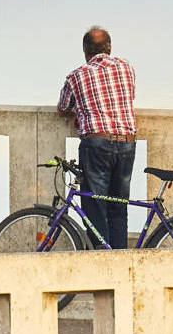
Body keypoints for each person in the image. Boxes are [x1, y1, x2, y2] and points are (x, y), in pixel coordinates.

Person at [56, 25, 137, 249]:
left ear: (85, 51)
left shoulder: (77, 76)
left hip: (97, 144)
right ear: (109, 48)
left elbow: (62, 107)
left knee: (94, 209)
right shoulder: (126, 67)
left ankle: (103, 260)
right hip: (127, 142)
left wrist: (78, 112)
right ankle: (119, 260)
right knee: (118, 207)